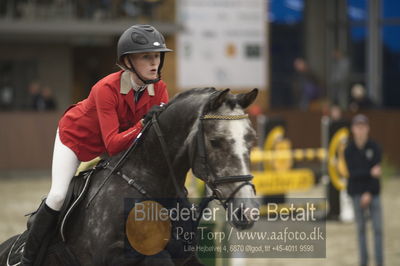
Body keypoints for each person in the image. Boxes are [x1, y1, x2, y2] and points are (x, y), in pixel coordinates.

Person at [21, 24, 172, 265]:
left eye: (157, 56)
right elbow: (112, 144)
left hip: (112, 146)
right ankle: (28, 257)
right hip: (76, 139)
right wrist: (143, 123)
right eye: (147, 57)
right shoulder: (106, 89)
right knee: (59, 195)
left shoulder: (160, 89)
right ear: (129, 62)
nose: (155, 62)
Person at [344, 114, 383, 266]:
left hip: (373, 193)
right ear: (353, 129)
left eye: (363, 127)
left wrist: (368, 192)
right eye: (357, 127)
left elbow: (377, 173)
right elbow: (352, 174)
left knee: (378, 230)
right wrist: (368, 172)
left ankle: (380, 262)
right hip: (356, 194)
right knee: (360, 230)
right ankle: (363, 262)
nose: (360, 130)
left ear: (368, 128)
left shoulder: (375, 147)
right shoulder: (349, 150)